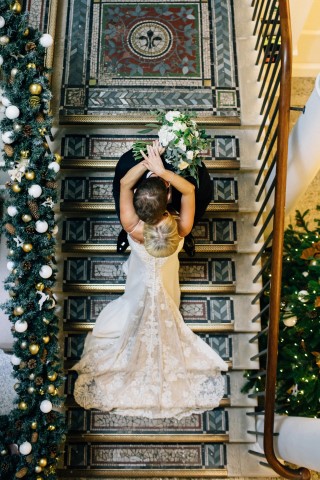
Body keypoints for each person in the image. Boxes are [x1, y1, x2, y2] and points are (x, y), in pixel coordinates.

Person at [73, 144, 228, 419]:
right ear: (168, 197)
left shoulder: (131, 226)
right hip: (167, 282)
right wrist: (162, 170)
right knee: (168, 290)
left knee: (134, 292)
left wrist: (147, 164)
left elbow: (123, 183)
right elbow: (190, 191)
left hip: (138, 282)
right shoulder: (181, 228)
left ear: (137, 204)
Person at [113, 142, 213, 256]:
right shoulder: (127, 164)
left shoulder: (190, 170)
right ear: (135, 192)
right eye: (164, 215)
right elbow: (121, 187)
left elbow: (125, 184)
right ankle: (125, 234)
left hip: (180, 200)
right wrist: (160, 171)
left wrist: (155, 165)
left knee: (198, 205)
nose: (155, 222)